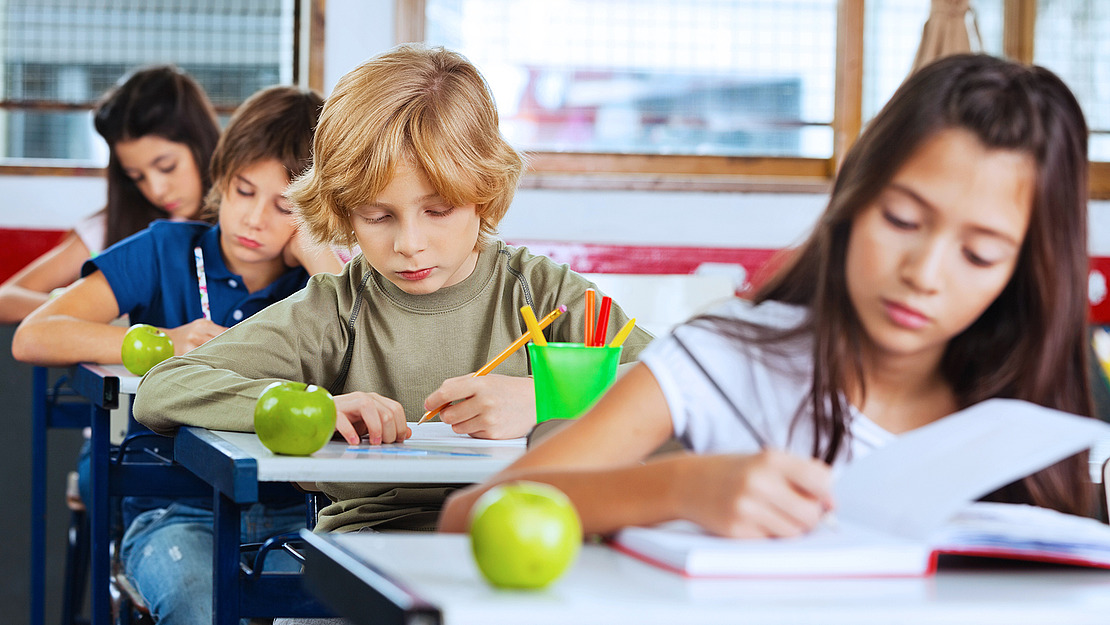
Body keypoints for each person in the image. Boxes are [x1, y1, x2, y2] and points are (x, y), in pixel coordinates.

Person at [439, 53, 1099, 538]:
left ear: (1024, 271)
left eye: (979, 254)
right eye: (901, 220)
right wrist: (680, 487)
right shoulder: (724, 357)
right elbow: (470, 516)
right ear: (853, 195)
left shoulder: (1034, 421)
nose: (925, 272)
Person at [132, 44, 654, 535]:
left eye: (438, 210)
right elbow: (163, 388)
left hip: (534, 531)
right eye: (377, 215)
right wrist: (313, 408)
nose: (409, 244)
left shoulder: (542, 292)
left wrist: (543, 400)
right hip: (372, 548)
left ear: (483, 191)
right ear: (343, 211)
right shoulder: (338, 308)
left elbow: (691, 387)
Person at [14, 85, 342, 625]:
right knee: (202, 607)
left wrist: (315, 250)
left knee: (336, 609)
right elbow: (33, 335)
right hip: (176, 512)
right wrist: (164, 342)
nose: (255, 219)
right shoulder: (165, 249)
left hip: (299, 514)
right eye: (242, 191)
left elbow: (379, 332)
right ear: (221, 178)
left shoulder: (321, 279)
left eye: (285, 206)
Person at [0, 65, 220, 324]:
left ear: (201, 143)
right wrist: (92, 306)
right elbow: (7, 298)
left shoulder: (244, 224)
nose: (156, 190)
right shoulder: (112, 226)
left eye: (167, 167)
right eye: (136, 176)